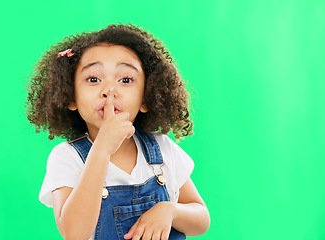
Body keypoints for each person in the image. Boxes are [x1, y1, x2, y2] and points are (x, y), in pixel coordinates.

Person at [26, 23, 210, 240]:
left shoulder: (161, 149)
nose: (109, 91)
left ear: (146, 99)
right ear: (71, 97)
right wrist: (102, 149)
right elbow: (74, 234)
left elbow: (201, 220)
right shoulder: (67, 158)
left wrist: (170, 210)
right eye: (93, 79)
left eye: (126, 80)